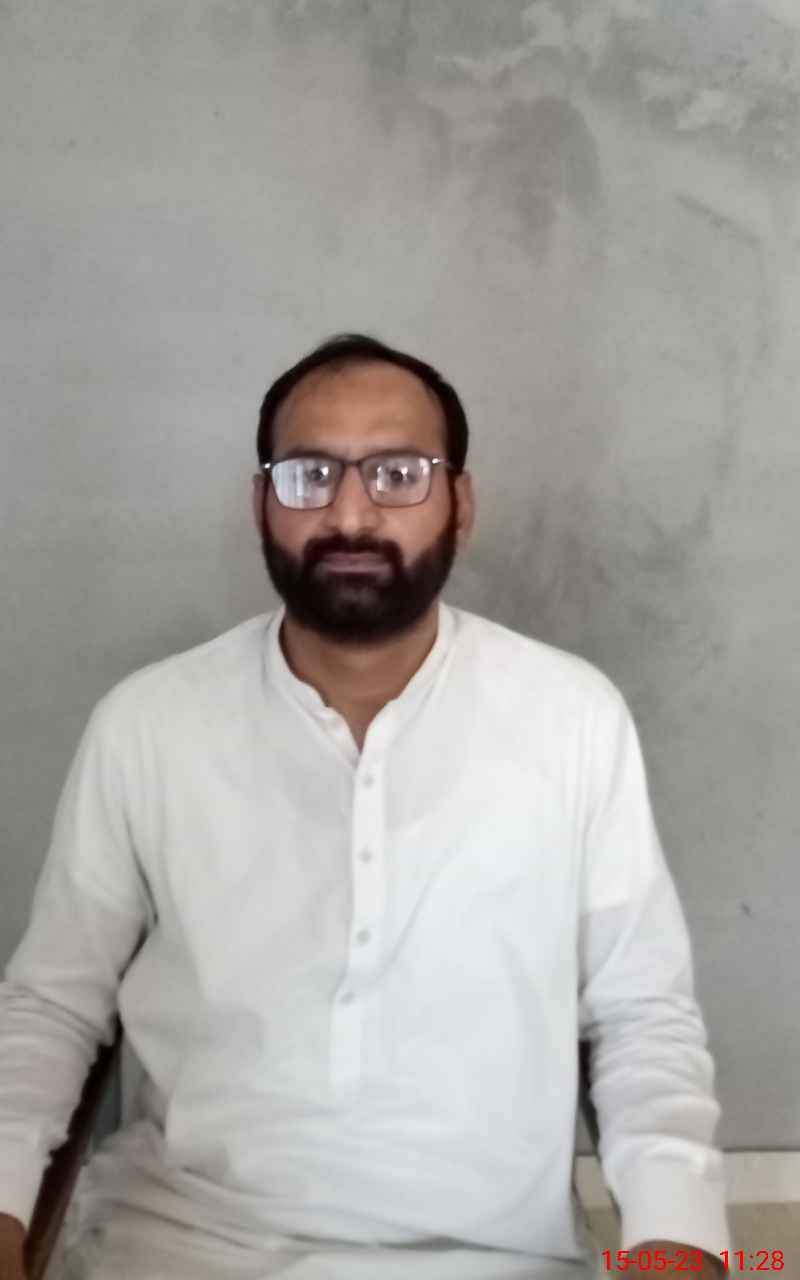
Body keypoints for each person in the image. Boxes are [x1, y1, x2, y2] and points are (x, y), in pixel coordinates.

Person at [0, 334, 730, 1279]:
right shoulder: (146, 724)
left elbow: (642, 1015)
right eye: (309, 475)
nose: (350, 514)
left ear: (461, 503)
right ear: (261, 503)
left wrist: (677, 1241)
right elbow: (53, 1004)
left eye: (398, 474)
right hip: (178, 1245)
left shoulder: (572, 718)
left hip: (494, 1256)